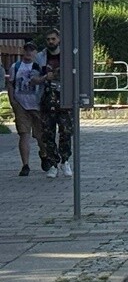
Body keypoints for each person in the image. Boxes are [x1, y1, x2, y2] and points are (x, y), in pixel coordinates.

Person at [6, 41, 47, 176]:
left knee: (40, 135)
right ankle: (25, 165)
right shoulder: (16, 66)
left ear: (36, 52)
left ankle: (44, 153)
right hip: (21, 105)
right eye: (26, 50)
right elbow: (11, 84)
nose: (28, 52)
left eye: (32, 50)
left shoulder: (40, 67)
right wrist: (13, 101)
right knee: (24, 134)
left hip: (37, 105)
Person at [37, 28, 73, 178]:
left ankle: (65, 161)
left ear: (58, 39)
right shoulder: (40, 58)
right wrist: (46, 77)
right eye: (48, 39)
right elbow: (33, 78)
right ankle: (53, 164)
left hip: (64, 99)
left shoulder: (68, 56)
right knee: (48, 133)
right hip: (46, 99)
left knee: (66, 131)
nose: (51, 42)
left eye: (53, 39)